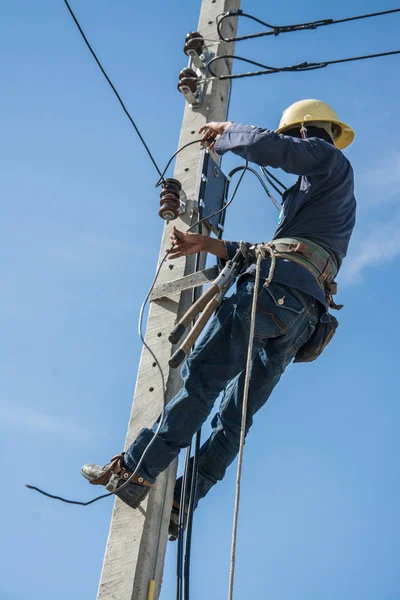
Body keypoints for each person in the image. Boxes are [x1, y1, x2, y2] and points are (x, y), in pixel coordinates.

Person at [81, 99, 356, 532]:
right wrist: (207, 246)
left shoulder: (328, 160)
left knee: (202, 381)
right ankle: (180, 504)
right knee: (235, 417)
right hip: (301, 317)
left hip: (272, 294)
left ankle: (135, 470)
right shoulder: (330, 202)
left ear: (303, 132)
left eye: (291, 137)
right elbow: (289, 253)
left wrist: (230, 133)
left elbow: (279, 152)